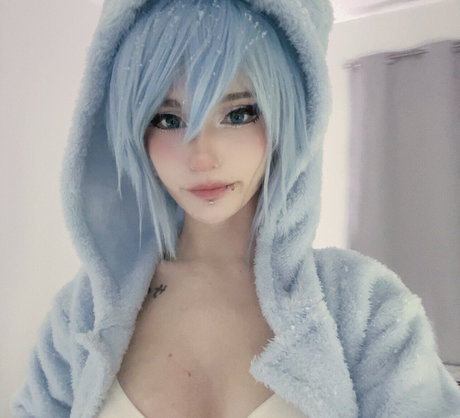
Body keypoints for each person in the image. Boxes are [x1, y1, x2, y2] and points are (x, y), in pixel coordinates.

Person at [10, 0, 460, 417]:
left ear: (288, 118)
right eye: (168, 119)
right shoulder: (84, 315)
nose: (202, 156)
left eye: (239, 114)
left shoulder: (365, 308)